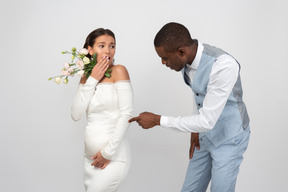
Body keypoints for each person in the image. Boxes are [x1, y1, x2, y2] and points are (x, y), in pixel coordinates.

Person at [129, 22, 250, 192]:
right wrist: (195, 129)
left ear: (181, 52)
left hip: (229, 136)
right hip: (204, 134)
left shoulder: (223, 65)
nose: (163, 62)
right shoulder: (187, 61)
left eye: (165, 58)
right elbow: (200, 94)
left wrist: (158, 120)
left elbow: (207, 121)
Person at [71, 28, 133, 192]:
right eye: (102, 45)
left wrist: (107, 153)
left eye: (112, 46)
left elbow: (126, 115)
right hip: (89, 160)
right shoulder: (86, 77)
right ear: (90, 50)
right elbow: (76, 114)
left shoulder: (119, 71)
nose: (108, 50)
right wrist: (93, 79)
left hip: (112, 158)